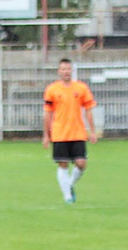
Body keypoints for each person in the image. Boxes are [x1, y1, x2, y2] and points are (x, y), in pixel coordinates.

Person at [42, 58, 97, 204]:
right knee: (63, 164)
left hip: (78, 132)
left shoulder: (81, 88)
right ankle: (67, 197)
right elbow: (47, 113)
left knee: (81, 163)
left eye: (68, 69)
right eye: (63, 69)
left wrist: (92, 131)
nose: (66, 72)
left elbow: (88, 110)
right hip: (59, 133)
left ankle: (70, 185)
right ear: (59, 72)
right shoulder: (52, 90)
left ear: (71, 70)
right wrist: (46, 135)